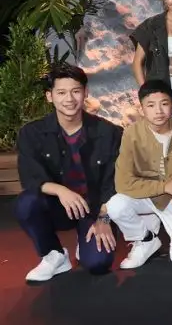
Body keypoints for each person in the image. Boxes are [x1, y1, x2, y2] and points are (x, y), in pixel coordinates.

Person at [15, 64, 121, 282]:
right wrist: (61, 191)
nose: (69, 99)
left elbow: (113, 182)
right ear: (49, 96)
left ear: (85, 93)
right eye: (61, 92)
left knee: (98, 263)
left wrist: (104, 218)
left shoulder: (109, 132)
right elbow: (30, 176)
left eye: (75, 91)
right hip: (58, 206)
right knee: (26, 203)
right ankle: (54, 254)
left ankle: (85, 242)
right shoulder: (32, 133)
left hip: (93, 208)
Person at [106, 80, 172, 269]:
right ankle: (145, 239)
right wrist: (165, 186)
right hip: (145, 196)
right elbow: (123, 183)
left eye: (164, 104)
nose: (158, 111)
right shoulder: (131, 134)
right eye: (150, 105)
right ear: (141, 109)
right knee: (115, 205)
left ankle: (162, 223)